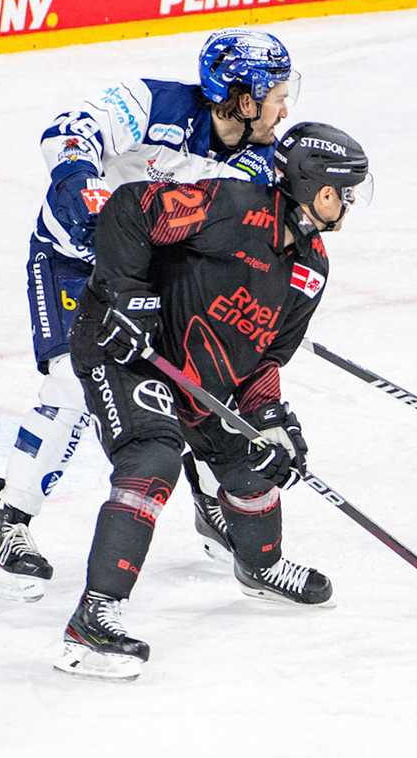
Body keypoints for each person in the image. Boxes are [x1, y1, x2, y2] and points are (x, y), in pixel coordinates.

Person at [0, 27, 301, 601]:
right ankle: (7, 525)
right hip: (75, 260)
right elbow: (69, 130)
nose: (284, 105)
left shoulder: (261, 164)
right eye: (274, 92)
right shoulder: (153, 103)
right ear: (243, 98)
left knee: (197, 379)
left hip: (159, 277)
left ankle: (207, 504)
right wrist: (80, 183)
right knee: (74, 387)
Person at [51, 122, 372, 681]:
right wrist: (127, 299)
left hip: (200, 376)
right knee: (153, 458)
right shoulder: (231, 205)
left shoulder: (311, 270)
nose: (348, 206)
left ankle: (260, 567)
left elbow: (266, 361)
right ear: (322, 191)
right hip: (128, 351)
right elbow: (129, 207)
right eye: (346, 193)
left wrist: (271, 422)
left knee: (256, 461)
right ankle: (93, 619)